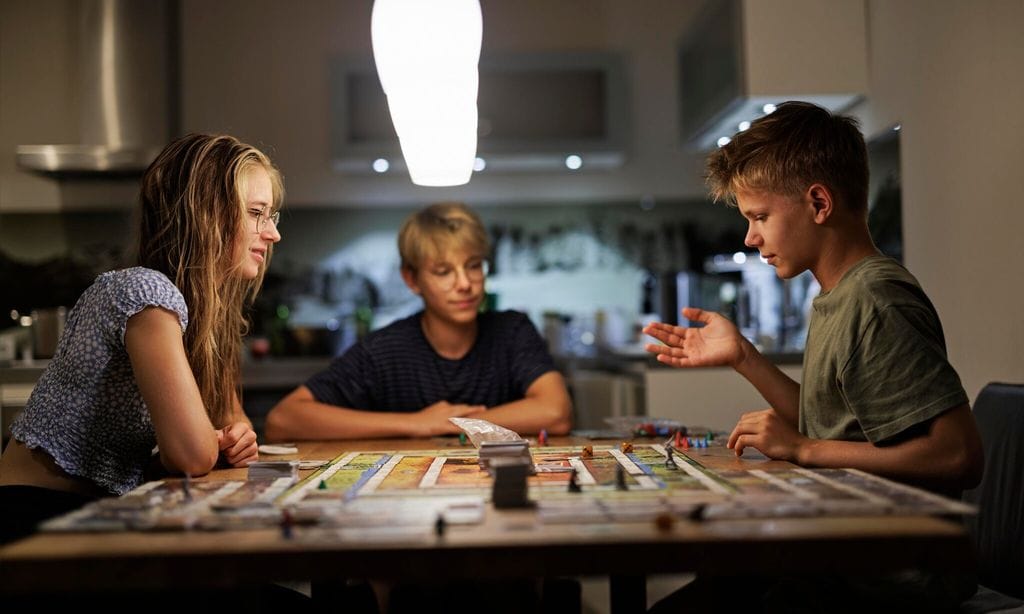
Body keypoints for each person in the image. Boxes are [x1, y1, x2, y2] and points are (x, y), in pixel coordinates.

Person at [644, 101, 984, 612]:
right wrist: (745, 357)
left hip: (889, 581)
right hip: (845, 552)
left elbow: (958, 456)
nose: (749, 237)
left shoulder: (876, 298)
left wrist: (803, 450)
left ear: (819, 203)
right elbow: (837, 423)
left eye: (760, 217)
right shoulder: (836, 294)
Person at [0, 133, 283, 547]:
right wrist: (205, 443)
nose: (272, 233)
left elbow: (230, 423)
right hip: (31, 520)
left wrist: (234, 437)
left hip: (96, 516)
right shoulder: (145, 293)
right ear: (205, 215)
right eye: (257, 213)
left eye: (272, 215)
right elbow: (193, 455)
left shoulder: (207, 315)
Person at [264, 201, 573, 441]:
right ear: (411, 279)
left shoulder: (512, 331)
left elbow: (555, 411)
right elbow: (283, 419)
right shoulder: (385, 349)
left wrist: (455, 424)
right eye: (443, 272)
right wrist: (417, 423)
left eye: (474, 266)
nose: (464, 283)